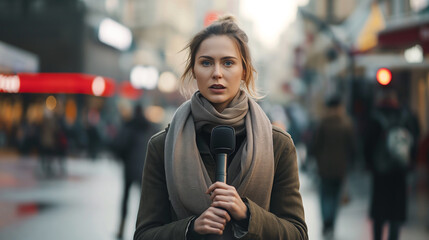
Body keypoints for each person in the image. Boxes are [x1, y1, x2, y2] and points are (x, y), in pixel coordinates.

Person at [134, 15, 308, 240]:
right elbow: (144, 235)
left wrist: (247, 214)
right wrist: (191, 228)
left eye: (228, 62)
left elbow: (298, 234)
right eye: (206, 62)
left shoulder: (278, 145)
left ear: (244, 71)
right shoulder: (162, 145)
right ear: (194, 71)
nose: (217, 72)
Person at [364, 88, 419, 240]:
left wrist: (370, 164)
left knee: (379, 212)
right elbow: (413, 142)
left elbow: (367, 144)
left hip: (380, 172)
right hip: (400, 172)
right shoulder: (406, 117)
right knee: (396, 212)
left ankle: (378, 236)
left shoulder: (375, 117)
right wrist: (410, 163)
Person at [310, 94, 355, 237]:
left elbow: (316, 145)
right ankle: (332, 223)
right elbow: (352, 147)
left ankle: (326, 222)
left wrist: (316, 159)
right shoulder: (347, 124)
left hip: (324, 168)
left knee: (325, 197)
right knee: (335, 198)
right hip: (340, 168)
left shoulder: (322, 123)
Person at [113, 104, 155, 239]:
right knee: (144, 201)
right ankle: (143, 229)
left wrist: (122, 158)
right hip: (145, 169)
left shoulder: (129, 126)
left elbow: (119, 145)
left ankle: (121, 228)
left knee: (125, 198)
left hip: (129, 169)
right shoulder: (149, 127)